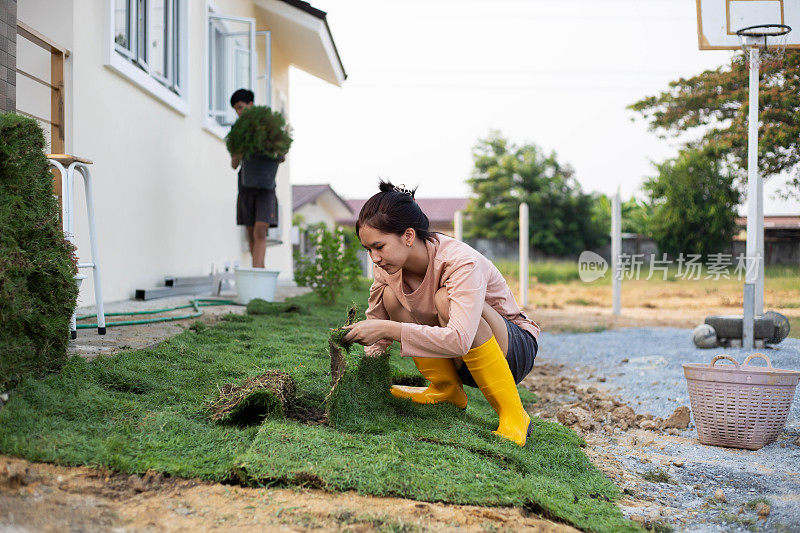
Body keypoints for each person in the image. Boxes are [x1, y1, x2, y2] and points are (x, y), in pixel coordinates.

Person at [343, 180, 540, 447]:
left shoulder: (459, 261)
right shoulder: (387, 268)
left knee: (445, 299)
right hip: (458, 358)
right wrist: (368, 366)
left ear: (408, 236)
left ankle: (513, 413)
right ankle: (446, 390)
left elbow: (459, 338)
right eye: (368, 250)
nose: (374, 258)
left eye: (379, 247)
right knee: (391, 295)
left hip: (511, 350)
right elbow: (377, 319)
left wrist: (389, 330)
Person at [229, 88, 279, 268]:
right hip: (246, 185)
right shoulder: (237, 130)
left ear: (251, 104)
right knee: (251, 232)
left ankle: (257, 274)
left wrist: (273, 150)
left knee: (260, 230)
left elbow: (281, 154)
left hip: (266, 185)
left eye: (241, 107)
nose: (239, 112)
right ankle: (259, 272)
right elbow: (234, 164)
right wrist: (239, 151)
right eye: (236, 109)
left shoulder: (268, 124)